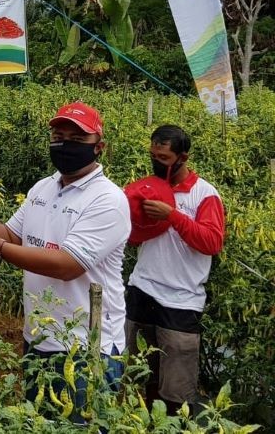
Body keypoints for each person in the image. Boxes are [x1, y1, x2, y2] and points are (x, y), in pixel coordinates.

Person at [0, 102, 130, 413]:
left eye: (77, 139)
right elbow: (11, 236)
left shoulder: (107, 200)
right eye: (59, 136)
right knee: (40, 421)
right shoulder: (43, 188)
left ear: (99, 147)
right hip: (39, 337)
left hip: (85, 348)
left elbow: (66, 266)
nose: (65, 144)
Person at [125, 125, 225, 414]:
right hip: (142, 291)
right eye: (153, 155)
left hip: (180, 303)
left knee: (176, 394)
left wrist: (172, 216)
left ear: (183, 157)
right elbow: (133, 237)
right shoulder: (149, 188)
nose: (157, 161)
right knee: (136, 379)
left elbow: (211, 242)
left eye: (164, 157)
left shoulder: (204, 195)